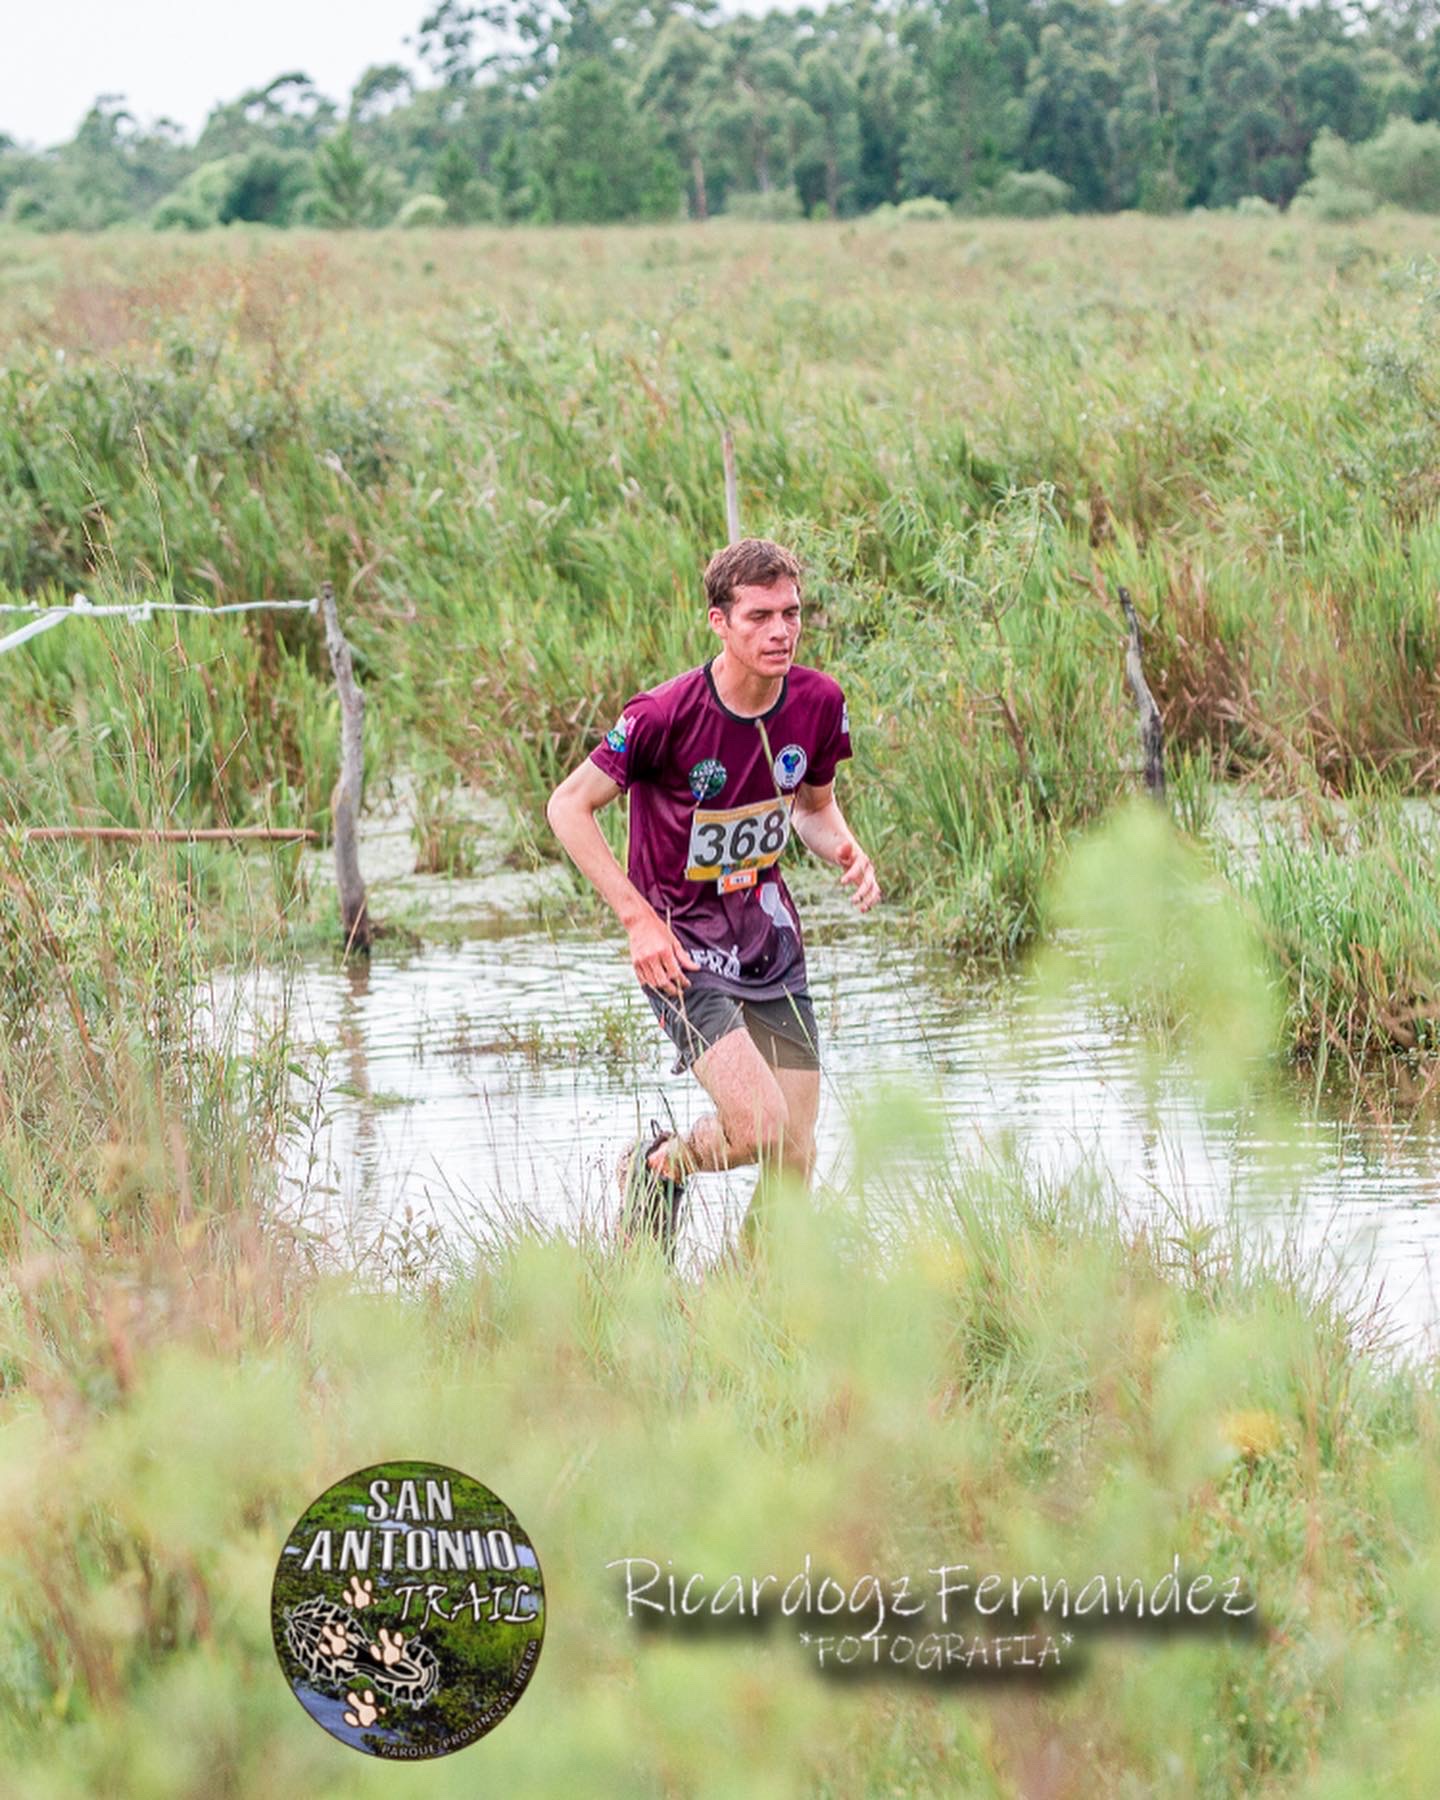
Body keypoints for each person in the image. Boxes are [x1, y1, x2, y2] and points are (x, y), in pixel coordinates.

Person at [545, 537, 880, 1255]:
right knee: (760, 1127)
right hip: (680, 950)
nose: (781, 631)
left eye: (790, 613)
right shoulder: (665, 714)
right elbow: (567, 807)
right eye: (759, 616)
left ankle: (752, 1307)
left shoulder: (818, 702)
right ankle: (660, 1164)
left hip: (769, 945)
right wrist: (637, 919)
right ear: (718, 622)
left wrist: (847, 848)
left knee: (795, 1155)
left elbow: (812, 807)